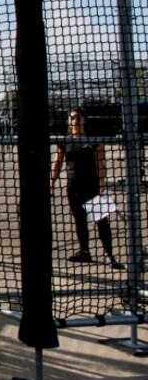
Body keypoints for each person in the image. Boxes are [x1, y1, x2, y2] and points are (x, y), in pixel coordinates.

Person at [51, 106, 123, 270]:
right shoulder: (64, 140)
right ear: (69, 121)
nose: (75, 121)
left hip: (91, 186)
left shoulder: (93, 140)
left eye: (78, 117)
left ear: (85, 120)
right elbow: (57, 163)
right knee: (80, 220)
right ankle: (84, 252)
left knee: (101, 221)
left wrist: (101, 184)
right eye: (72, 118)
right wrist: (51, 183)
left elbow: (100, 163)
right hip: (73, 186)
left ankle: (109, 255)